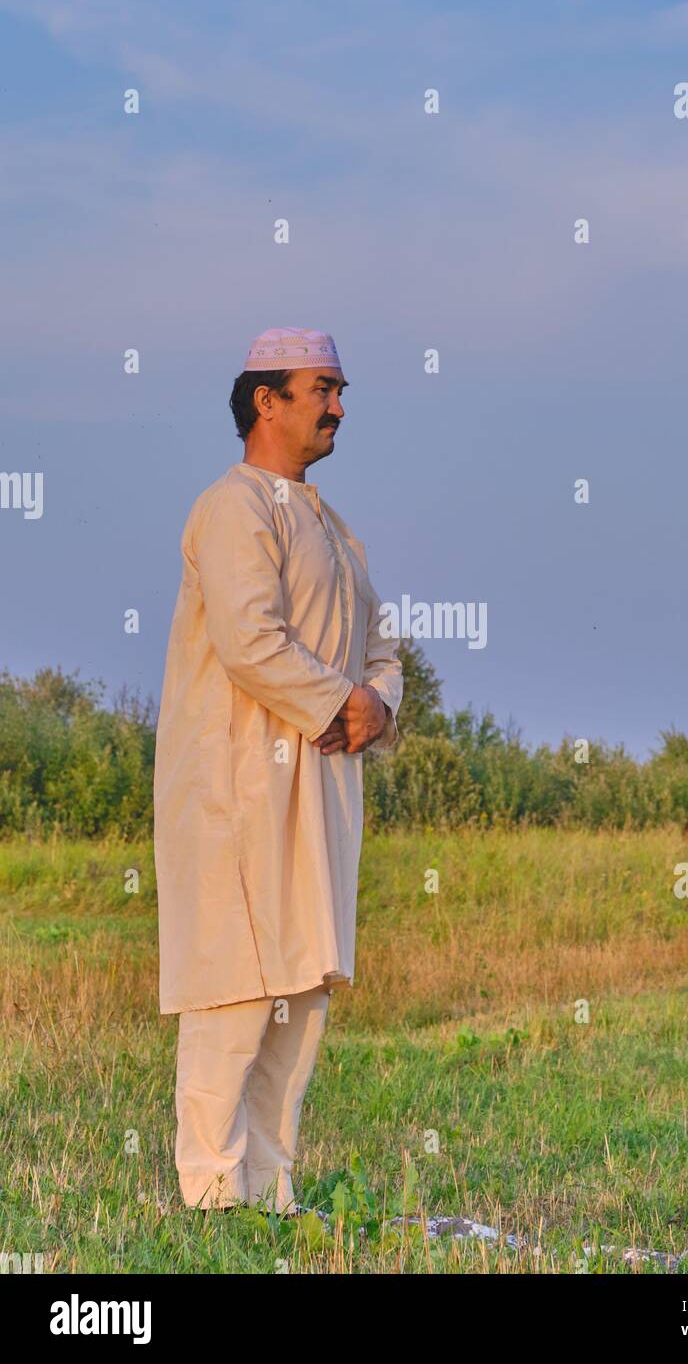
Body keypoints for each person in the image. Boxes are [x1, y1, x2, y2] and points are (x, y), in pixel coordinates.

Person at [153, 326, 403, 1214]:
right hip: (236, 789)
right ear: (267, 399)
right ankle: (212, 1198)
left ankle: (270, 1194)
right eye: (323, 388)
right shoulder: (233, 507)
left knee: (301, 989)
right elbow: (250, 642)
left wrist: (381, 702)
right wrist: (346, 703)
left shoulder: (331, 524)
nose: (339, 406)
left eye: (340, 391)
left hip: (321, 789)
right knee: (234, 990)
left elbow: (382, 646)